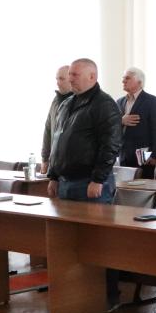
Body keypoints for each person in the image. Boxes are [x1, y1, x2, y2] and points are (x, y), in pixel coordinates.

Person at [46, 59, 123, 204]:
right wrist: (53, 176)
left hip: (89, 183)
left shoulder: (104, 104)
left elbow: (110, 146)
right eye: (70, 74)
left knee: (93, 220)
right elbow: (57, 141)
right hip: (65, 182)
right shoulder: (66, 104)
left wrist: (98, 180)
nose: (70, 79)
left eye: (75, 75)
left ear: (92, 77)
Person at [116, 67, 156, 171]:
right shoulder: (119, 102)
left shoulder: (152, 101)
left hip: (145, 156)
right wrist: (121, 121)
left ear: (139, 82)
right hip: (124, 155)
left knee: (143, 181)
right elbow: (112, 126)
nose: (123, 81)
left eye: (127, 78)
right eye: (123, 78)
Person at [40, 65, 72, 173]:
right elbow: (48, 129)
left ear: (71, 80)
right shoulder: (55, 101)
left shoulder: (78, 102)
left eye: (61, 79)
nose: (58, 83)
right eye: (57, 79)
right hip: (54, 162)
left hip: (70, 164)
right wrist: (44, 159)